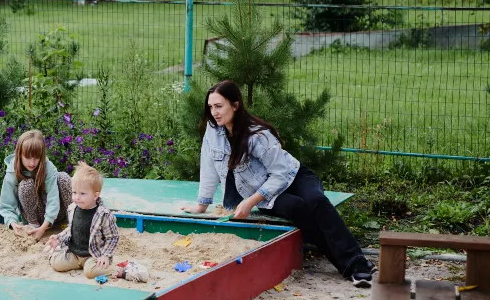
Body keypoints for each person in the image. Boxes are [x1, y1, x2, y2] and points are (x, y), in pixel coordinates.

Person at [180, 80, 376, 287]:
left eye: (219, 106)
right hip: (268, 191)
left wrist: (250, 202)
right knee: (297, 208)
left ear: (235, 106)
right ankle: (354, 263)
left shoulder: (257, 135)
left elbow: (281, 174)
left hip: (293, 176)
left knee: (316, 200)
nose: (214, 112)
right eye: (211, 107)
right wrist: (202, 204)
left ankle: (355, 263)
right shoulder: (214, 131)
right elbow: (209, 165)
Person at [44, 162, 149, 282]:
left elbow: (113, 237)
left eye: (82, 194)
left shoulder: (103, 215)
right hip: (75, 253)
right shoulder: (73, 208)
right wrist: (58, 239)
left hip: (94, 256)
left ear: (95, 195)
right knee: (56, 264)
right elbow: (71, 229)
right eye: (74, 192)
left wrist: (105, 255)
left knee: (90, 272)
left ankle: (122, 271)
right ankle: (65, 255)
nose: (77, 197)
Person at [0, 130, 73, 241]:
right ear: (20, 154)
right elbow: (7, 204)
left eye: (36, 158)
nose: (32, 163)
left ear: (42, 156)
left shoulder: (48, 167)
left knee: (63, 177)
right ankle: (33, 227)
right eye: (28, 157)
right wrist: (12, 223)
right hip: (35, 216)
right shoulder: (13, 170)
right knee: (26, 184)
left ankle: (74, 222)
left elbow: (53, 198)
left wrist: (45, 226)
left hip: (56, 214)